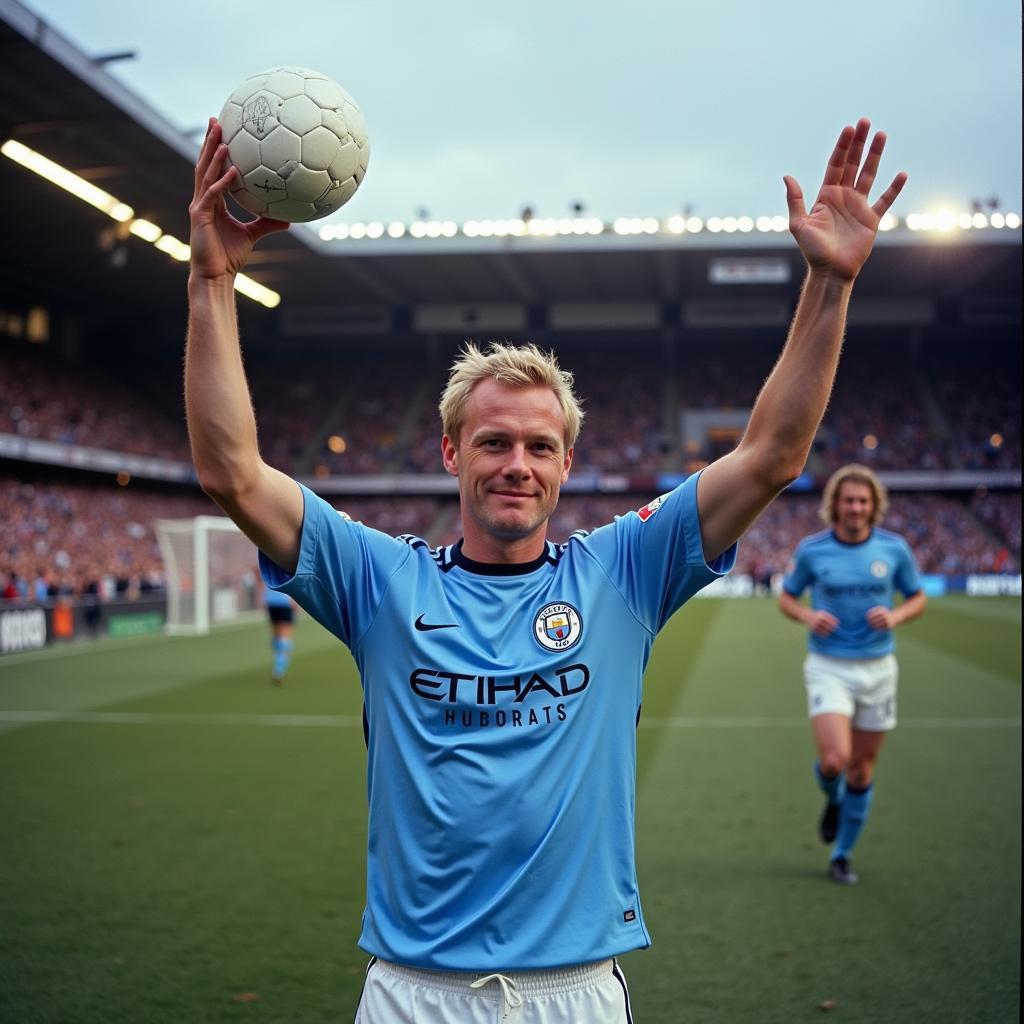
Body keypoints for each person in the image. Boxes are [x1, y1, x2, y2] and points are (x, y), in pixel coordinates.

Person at [186, 115, 905, 1022]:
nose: (515, 464)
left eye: (538, 445)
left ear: (567, 464)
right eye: (492, 442)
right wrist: (212, 279)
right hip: (415, 993)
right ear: (451, 453)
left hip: (576, 993)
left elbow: (771, 456)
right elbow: (231, 472)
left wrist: (829, 287)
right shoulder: (380, 583)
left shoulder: (623, 573)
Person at [779, 464, 927, 886]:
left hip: (879, 668)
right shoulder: (813, 550)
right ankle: (833, 798)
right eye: (849, 500)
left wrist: (896, 614)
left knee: (862, 770)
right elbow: (787, 598)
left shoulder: (894, 550)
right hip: (829, 666)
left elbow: (917, 598)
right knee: (834, 760)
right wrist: (809, 615)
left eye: (863, 501)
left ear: (874, 505)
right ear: (836, 506)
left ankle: (842, 854)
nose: (856, 508)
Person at [264, 583, 297, 684]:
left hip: (270, 600)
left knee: (276, 635)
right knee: (285, 637)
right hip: (285, 601)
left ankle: (279, 667)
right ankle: (279, 671)